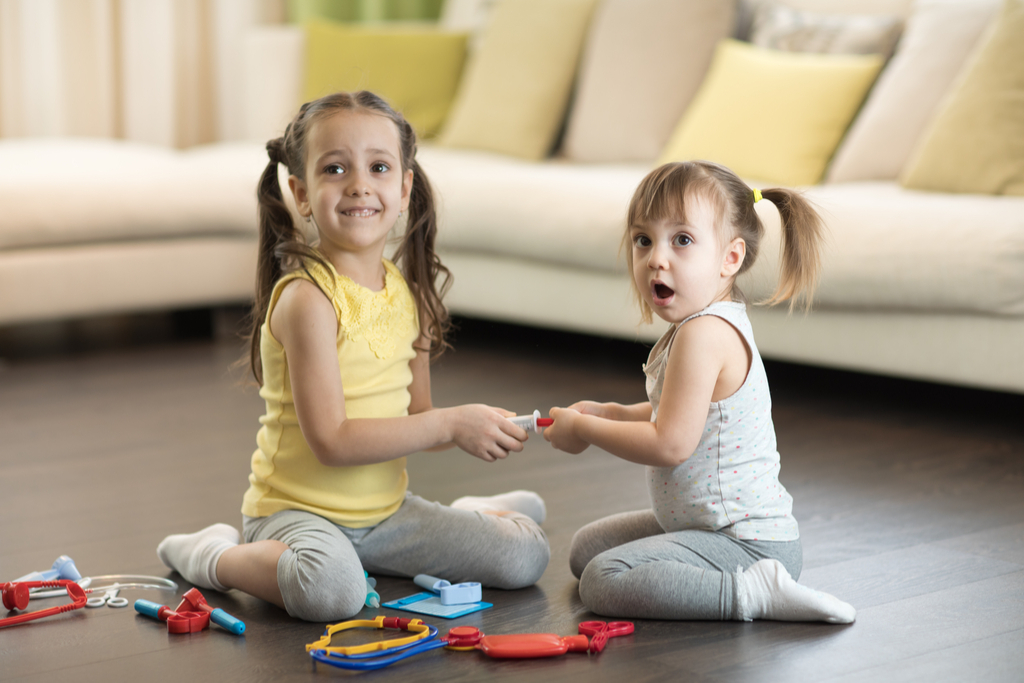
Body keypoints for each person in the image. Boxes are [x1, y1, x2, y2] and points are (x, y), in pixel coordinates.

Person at [156, 91, 549, 622]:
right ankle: (215, 555)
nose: (360, 184)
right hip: (293, 515)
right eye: (335, 169)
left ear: (404, 187)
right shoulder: (307, 299)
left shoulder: (407, 294)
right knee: (330, 592)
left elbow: (417, 419)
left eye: (379, 167)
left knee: (527, 556)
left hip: (386, 516)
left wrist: (477, 424)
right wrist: (452, 424)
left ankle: (469, 516)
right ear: (300, 192)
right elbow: (333, 441)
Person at [543, 161, 855, 624]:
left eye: (682, 240)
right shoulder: (695, 323)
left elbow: (670, 443)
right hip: (700, 525)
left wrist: (585, 429)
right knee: (585, 550)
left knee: (601, 579)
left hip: (746, 545)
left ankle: (751, 594)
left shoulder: (704, 333)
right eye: (643, 239)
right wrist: (609, 412)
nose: (656, 258)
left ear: (731, 257)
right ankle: (728, 581)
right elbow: (679, 412)